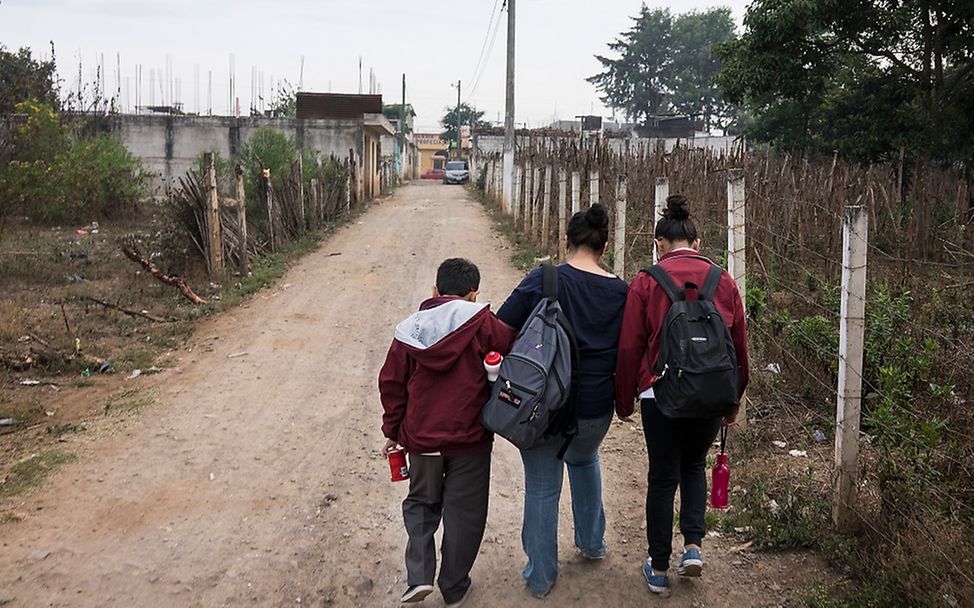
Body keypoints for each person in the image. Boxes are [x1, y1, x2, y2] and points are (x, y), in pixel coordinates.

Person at [614, 194, 749, 596]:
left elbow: (628, 348)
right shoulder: (723, 281)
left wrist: (625, 400)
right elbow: (739, 345)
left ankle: (657, 567)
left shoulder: (646, 281)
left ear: (658, 243)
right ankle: (692, 547)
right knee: (693, 467)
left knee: (662, 477)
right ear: (699, 241)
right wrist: (733, 398)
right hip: (710, 392)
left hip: (660, 394)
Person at [496, 204, 629, 598]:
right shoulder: (621, 290)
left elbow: (502, 328)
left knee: (541, 486)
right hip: (595, 410)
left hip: (543, 409)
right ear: (604, 247)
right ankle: (591, 544)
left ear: (565, 241)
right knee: (585, 459)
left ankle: (540, 577)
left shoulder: (545, 279)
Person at [378, 258, 515, 607]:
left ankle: (420, 575)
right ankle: (454, 588)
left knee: (422, 503)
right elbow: (510, 353)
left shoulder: (411, 329)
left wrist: (394, 429)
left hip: (422, 440)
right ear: (473, 295)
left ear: (435, 291)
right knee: (465, 514)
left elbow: (392, 382)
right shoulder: (484, 323)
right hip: (470, 441)